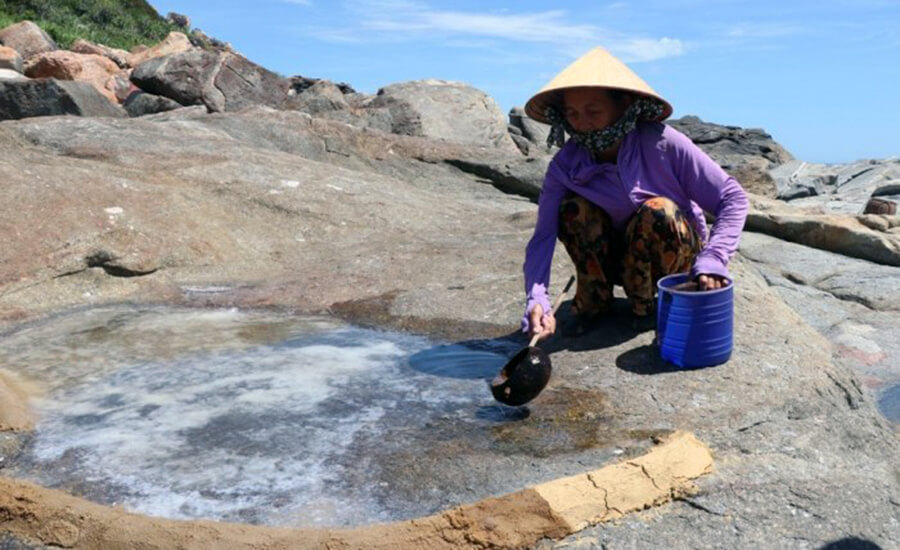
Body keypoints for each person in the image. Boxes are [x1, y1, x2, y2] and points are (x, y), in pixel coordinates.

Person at [521, 46, 749, 341]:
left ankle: (647, 306)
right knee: (572, 208)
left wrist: (714, 258)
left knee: (658, 210)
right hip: (613, 260)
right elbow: (543, 237)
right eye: (572, 113)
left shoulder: (664, 143)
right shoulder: (566, 164)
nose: (581, 123)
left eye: (593, 111)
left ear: (624, 105)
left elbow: (732, 197)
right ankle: (594, 300)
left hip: (671, 260)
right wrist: (537, 298)